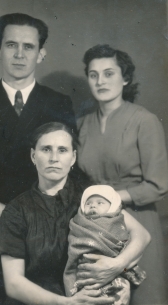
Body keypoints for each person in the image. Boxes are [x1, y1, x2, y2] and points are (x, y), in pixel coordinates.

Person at [0, 13, 76, 305]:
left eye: (28, 47)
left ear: (40, 54)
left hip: (49, 235)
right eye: (11, 45)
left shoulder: (58, 103)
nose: (19, 54)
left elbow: (70, 167)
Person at [0, 122, 150, 305]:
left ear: (73, 158)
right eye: (46, 149)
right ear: (33, 156)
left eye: (62, 150)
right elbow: (13, 284)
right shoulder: (16, 210)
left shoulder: (89, 199)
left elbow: (142, 235)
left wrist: (117, 266)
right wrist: (65, 303)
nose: (54, 158)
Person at [77, 44, 168, 305]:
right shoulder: (82, 124)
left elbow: (158, 185)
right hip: (96, 225)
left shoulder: (144, 121)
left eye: (109, 73)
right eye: (93, 75)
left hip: (138, 222)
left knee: (144, 297)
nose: (100, 81)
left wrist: (110, 198)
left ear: (125, 78)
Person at [64, 185, 148, 305]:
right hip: (85, 270)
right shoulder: (79, 221)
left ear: (112, 207)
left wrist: (118, 263)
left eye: (100, 203)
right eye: (88, 203)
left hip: (115, 269)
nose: (93, 205)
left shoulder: (116, 219)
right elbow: (75, 244)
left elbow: (136, 237)